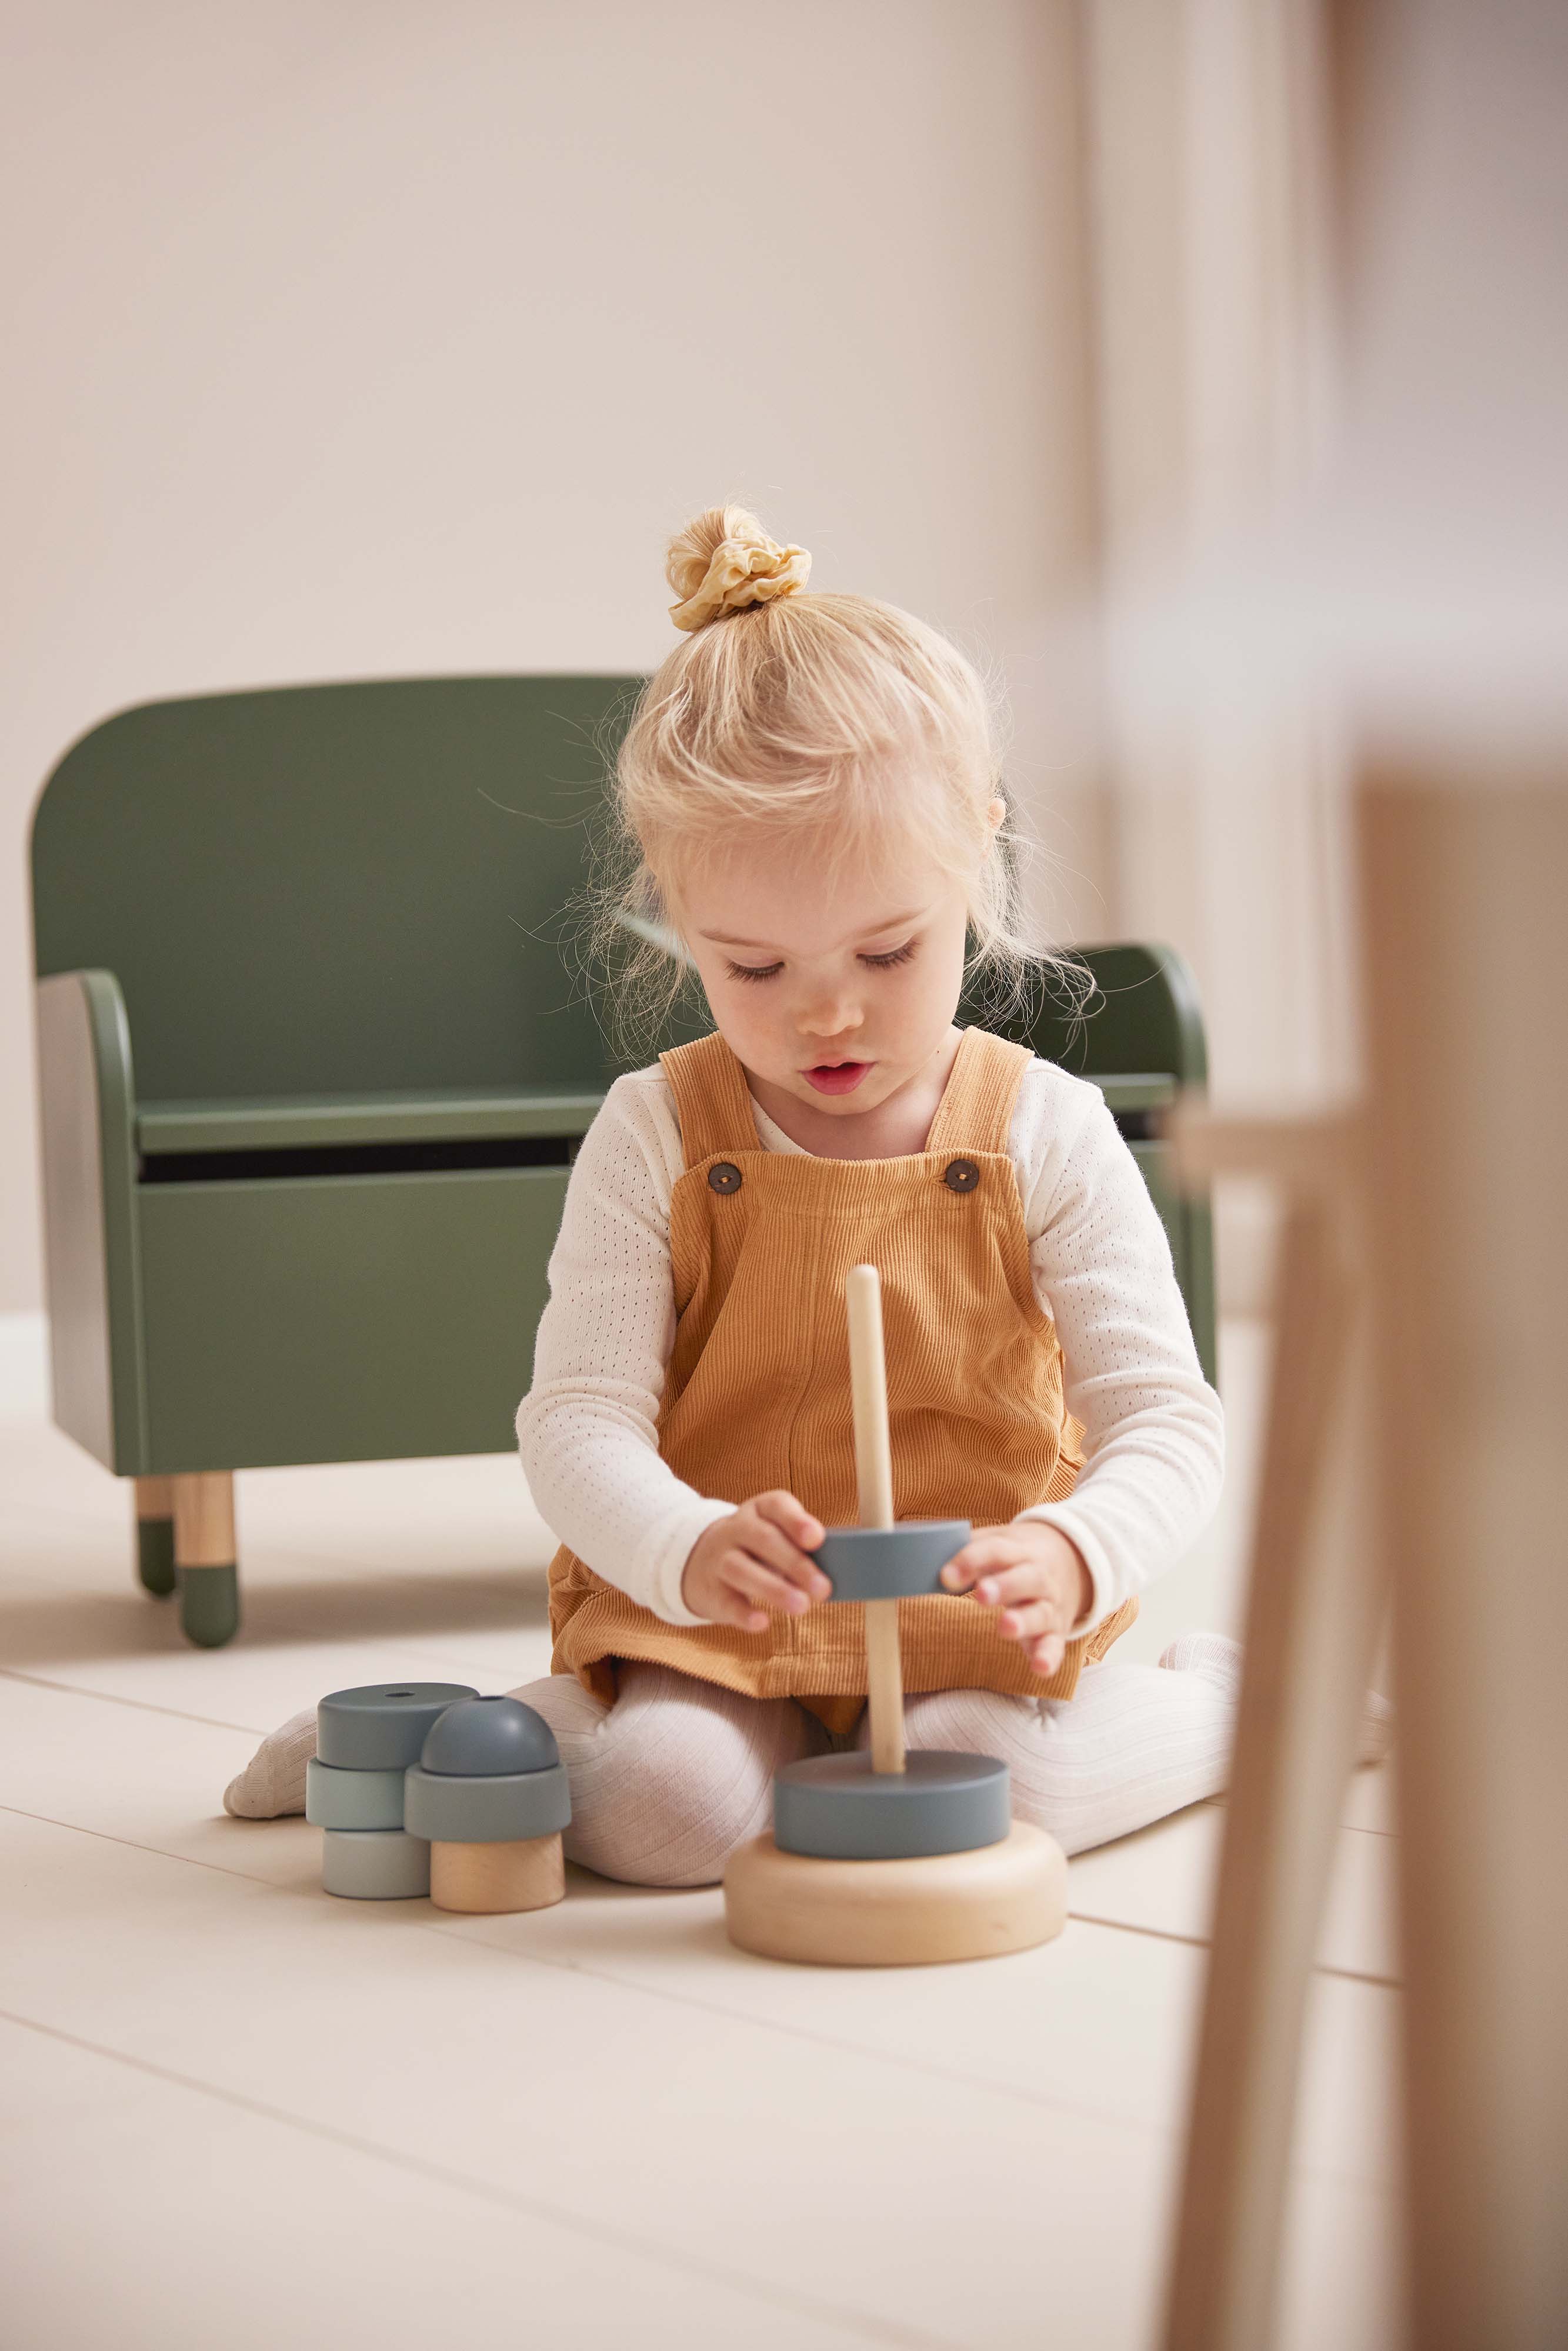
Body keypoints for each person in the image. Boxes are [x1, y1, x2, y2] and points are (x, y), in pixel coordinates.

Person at [226, 506, 1377, 1873]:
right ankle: (462, 1740)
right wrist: (684, 1541)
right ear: (677, 910)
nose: (827, 1017)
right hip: (721, 1612)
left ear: (977, 859)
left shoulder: (1049, 1129)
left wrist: (1073, 1553)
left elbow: (1168, 1421)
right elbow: (577, 1418)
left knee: (1009, 1790)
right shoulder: (655, 1130)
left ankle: (1234, 1701)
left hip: (978, 1626)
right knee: (661, 1816)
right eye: (754, 969)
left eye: (889, 951)